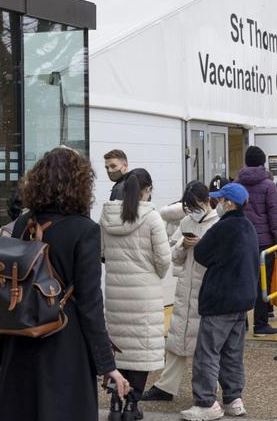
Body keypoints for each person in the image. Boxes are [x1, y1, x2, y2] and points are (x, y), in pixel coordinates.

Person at [0, 147, 129, 421]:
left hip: (20, 338)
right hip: (64, 341)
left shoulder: (23, 224)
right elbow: (91, 304)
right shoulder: (85, 230)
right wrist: (107, 365)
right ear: (80, 185)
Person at [181, 184, 258, 421]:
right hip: (242, 299)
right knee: (232, 352)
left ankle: (206, 402)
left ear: (229, 203)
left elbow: (202, 254)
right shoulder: (249, 227)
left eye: (220, 200)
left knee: (208, 352)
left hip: (220, 298)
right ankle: (233, 398)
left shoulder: (223, 227)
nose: (218, 204)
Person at [100, 169, 171, 420]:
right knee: (140, 351)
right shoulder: (152, 218)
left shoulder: (107, 215)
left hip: (116, 292)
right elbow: (164, 260)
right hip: (145, 293)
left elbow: (102, 253)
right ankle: (131, 405)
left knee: (120, 348)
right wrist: (153, 274)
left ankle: (114, 405)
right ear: (147, 189)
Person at [142, 182, 220, 402]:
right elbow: (173, 256)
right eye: (189, 206)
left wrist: (201, 244)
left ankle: (209, 389)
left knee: (205, 343)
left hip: (207, 288)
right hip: (185, 287)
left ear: (206, 202)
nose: (194, 211)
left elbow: (221, 257)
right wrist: (183, 245)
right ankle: (166, 387)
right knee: (177, 338)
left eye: (196, 205)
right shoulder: (186, 221)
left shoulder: (218, 224)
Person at [236, 146, 277, 337]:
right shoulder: (269, 185)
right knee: (263, 281)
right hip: (264, 242)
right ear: (263, 161)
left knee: (241, 281)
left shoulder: (237, 184)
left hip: (241, 239)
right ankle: (261, 325)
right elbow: (275, 215)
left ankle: (241, 323)